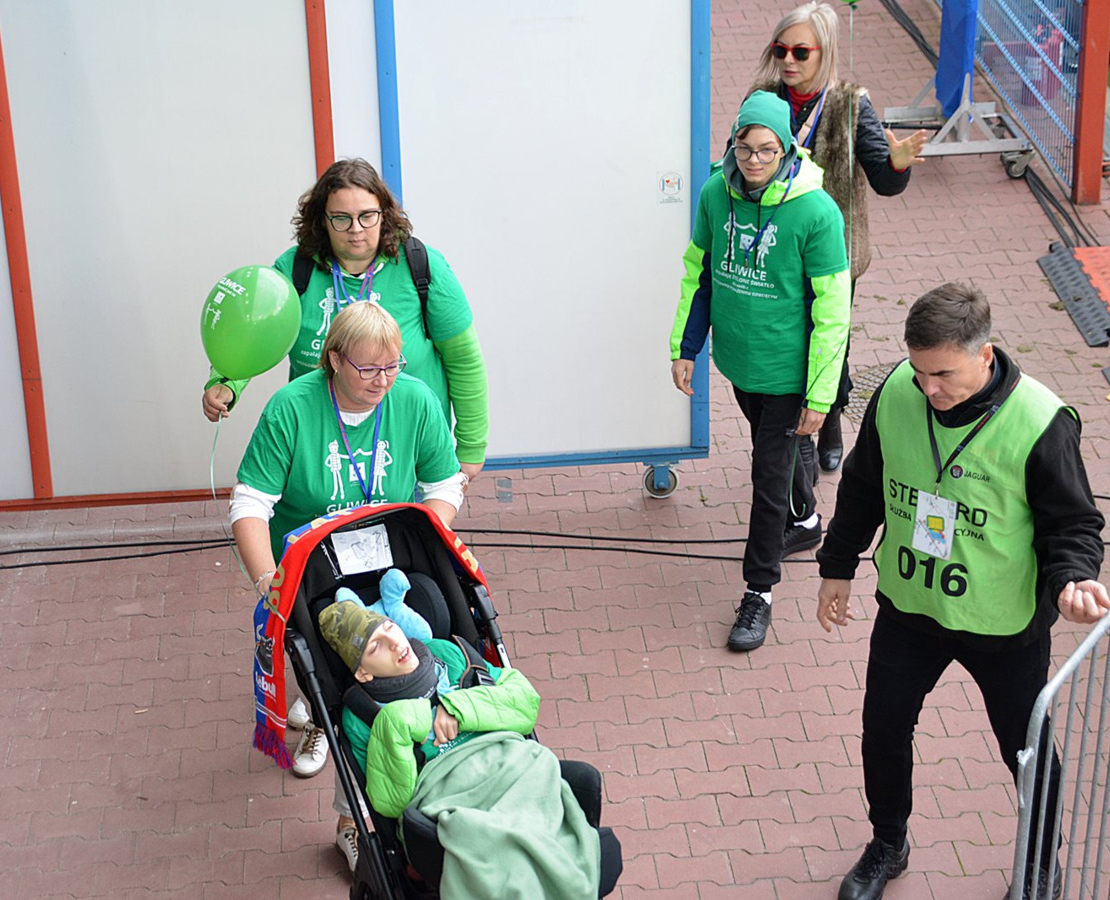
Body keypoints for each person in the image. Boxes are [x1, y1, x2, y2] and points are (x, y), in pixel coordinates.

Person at [814, 283, 1110, 900]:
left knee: (1026, 751)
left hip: (1002, 624)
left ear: (984, 355)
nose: (928, 388)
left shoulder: (1040, 422)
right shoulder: (897, 392)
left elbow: (1073, 524)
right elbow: (864, 485)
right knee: (883, 729)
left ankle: (1039, 862)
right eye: (919, 371)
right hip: (911, 606)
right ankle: (888, 843)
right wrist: (836, 565)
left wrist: (1071, 579)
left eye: (943, 374)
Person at [231, 301, 466, 870]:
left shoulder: (414, 399)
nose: (383, 381)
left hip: (392, 561)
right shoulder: (292, 408)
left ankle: (379, 799)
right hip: (314, 568)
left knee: (417, 661)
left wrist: (429, 533)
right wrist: (267, 579)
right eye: (368, 369)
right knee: (349, 685)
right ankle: (341, 783)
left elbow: (444, 485)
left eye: (393, 366)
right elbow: (250, 504)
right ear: (334, 360)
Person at [669, 89, 851, 652]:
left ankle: (759, 592)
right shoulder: (713, 194)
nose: (754, 160)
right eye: (745, 148)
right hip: (741, 364)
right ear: (733, 144)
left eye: (767, 150)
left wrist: (819, 395)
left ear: (787, 149)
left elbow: (833, 312)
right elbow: (699, 274)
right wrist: (686, 347)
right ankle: (806, 520)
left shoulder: (816, 212)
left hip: (790, 372)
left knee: (766, 475)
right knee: (779, 451)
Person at [201, 158, 489, 485]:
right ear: (322, 220)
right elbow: (255, 334)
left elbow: (463, 359)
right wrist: (227, 382)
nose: (356, 229)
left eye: (367, 216)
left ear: (384, 214)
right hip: (319, 447)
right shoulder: (295, 271)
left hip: (409, 446)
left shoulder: (421, 266)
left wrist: (471, 446)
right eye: (341, 218)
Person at [317, 600, 605, 899]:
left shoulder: (446, 653)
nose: (394, 643)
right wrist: (398, 724)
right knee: (484, 835)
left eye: (389, 627)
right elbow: (392, 803)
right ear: (363, 673)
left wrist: (458, 707)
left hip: (510, 762)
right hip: (448, 794)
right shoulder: (362, 713)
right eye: (376, 647)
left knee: (543, 804)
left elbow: (524, 702)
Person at [746, 2, 927, 471]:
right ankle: (786, 426)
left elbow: (884, 181)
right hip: (773, 248)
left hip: (833, 253)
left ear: (824, 53)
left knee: (828, 339)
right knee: (784, 337)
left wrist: (898, 164)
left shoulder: (850, 103)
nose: (788, 61)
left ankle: (828, 420)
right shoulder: (763, 97)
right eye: (780, 50)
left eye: (800, 52)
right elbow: (738, 158)